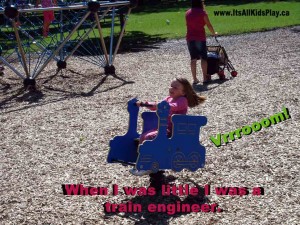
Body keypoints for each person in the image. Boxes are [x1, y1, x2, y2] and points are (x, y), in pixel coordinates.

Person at [130, 77, 206, 176]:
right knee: (144, 136)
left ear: (183, 92)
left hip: (173, 131)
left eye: (175, 87)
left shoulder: (182, 100)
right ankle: (140, 162)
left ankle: (148, 165)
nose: (171, 89)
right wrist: (145, 104)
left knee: (150, 138)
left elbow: (174, 106)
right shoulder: (168, 99)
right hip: (163, 128)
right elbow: (157, 105)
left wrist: (165, 106)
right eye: (171, 86)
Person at [186, 0, 217, 84]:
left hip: (190, 38)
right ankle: (204, 78)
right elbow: (209, 25)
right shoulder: (202, 13)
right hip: (200, 38)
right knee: (204, 58)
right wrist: (214, 33)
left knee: (193, 59)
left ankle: (194, 79)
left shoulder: (187, 13)